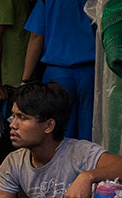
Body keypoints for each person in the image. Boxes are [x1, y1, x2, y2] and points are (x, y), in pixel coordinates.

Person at [22, 0, 95, 140]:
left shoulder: (46, 1)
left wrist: (25, 79)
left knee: (58, 133)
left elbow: (36, 37)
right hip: (90, 73)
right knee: (90, 131)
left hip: (58, 74)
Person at [0, 0, 31, 193]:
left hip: (14, 82)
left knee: (11, 143)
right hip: (6, 84)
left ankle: (7, 195)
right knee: (0, 143)